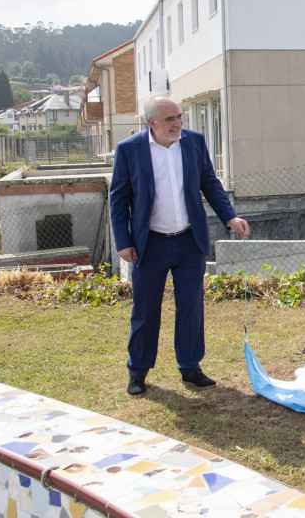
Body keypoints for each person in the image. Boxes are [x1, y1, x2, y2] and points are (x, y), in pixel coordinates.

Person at [110, 93, 249, 396]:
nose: (178, 124)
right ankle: (138, 371)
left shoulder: (194, 142)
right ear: (152, 123)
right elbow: (118, 199)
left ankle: (190, 367)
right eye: (170, 119)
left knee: (190, 306)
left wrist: (230, 217)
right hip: (150, 244)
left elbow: (209, 182)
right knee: (145, 310)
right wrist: (123, 242)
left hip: (189, 240)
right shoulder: (128, 150)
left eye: (179, 117)